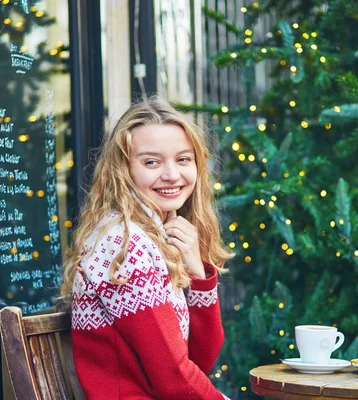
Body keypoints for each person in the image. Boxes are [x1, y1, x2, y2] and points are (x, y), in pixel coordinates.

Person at [61, 97, 233, 399]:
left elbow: (199, 361)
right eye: (152, 162)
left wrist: (197, 271)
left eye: (183, 159)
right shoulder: (123, 244)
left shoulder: (155, 236)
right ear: (123, 170)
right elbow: (174, 377)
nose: (171, 175)